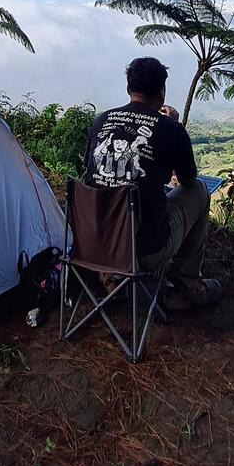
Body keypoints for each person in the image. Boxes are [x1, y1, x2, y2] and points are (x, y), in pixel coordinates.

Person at [84, 56, 220, 304]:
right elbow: (188, 180)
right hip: (143, 251)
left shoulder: (101, 120)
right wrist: (172, 126)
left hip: (94, 244)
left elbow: (91, 172)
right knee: (200, 190)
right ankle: (185, 285)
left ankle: (111, 276)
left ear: (129, 89)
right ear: (161, 91)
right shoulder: (170, 129)